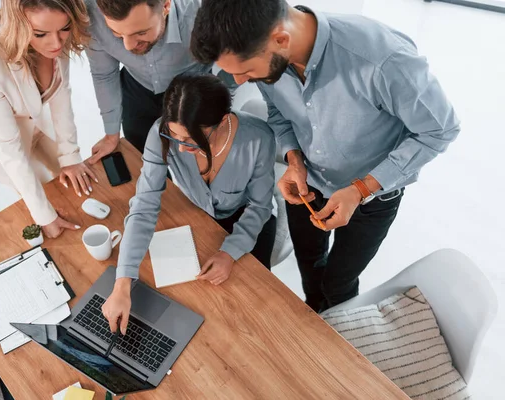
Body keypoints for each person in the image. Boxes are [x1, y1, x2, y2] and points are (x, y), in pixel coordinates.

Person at [190, 0, 460, 312]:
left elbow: (440, 130)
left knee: (339, 283)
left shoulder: (383, 59)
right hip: (308, 185)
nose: (240, 81)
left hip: (373, 199)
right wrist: (293, 159)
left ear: (280, 39)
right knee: (310, 267)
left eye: (247, 71)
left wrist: (361, 189)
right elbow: (278, 112)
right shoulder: (270, 58)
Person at [101, 74, 277, 334]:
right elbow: (144, 206)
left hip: (247, 222)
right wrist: (122, 283)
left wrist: (230, 251)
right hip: (202, 217)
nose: (181, 149)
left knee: (254, 311)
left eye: (191, 139)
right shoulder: (160, 134)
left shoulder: (259, 139)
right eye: (176, 136)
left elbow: (260, 207)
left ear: (223, 122)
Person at [0, 0, 98, 238]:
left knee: (68, 181)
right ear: (18, 23)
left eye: (64, 29)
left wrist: (70, 156)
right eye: (41, 34)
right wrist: (45, 216)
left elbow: (61, 93)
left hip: (35, 124)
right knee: (45, 198)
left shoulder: (56, 32)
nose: (56, 43)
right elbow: (10, 150)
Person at [84, 0, 230, 162]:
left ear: (166, 6)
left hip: (195, 88)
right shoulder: (93, 14)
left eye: (140, 33)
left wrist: (220, 108)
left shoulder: (203, 12)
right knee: (143, 153)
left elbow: (235, 62)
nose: (128, 46)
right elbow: (104, 74)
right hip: (138, 86)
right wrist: (111, 134)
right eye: (117, 34)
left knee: (199, 156)